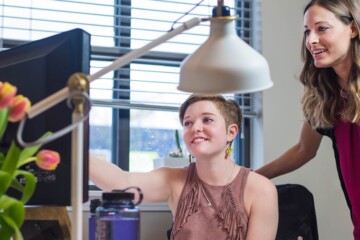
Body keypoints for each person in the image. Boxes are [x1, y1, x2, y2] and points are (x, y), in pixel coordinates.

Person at [90, 94, 278, 240]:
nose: (195, 127)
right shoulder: (174, 180)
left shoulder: (261, 189)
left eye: (207, 120)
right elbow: (122, 183)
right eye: (188, 123)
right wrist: (72, 149)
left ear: (231, 132)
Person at [256, 0, 360, 238]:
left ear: (352, 29)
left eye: (322, 28)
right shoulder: (327, 96)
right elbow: (304, 149)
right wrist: (248, 178)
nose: (311, 40)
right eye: (307, 31)